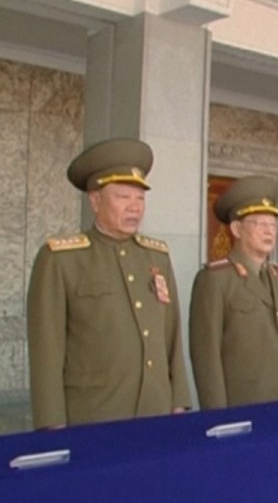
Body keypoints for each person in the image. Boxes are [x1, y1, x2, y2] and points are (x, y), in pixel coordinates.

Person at [26, 138, 190, 429]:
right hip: (94, 415)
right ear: (95, 200)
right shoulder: (61, 260)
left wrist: (179, 399)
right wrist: (51, 425)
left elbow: (172, 335)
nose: (134, 208)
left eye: (140, 198)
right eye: (123, 197)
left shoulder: (156, 256)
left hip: (156, 409)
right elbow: (47, 352)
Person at [189, 176, 278, 409]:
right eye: (259, 224)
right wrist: (218, 416)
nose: (269, 232)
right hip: (246, 406)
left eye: (273, 225)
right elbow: (207, 358)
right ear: (236, 228)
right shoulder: (215, 279)